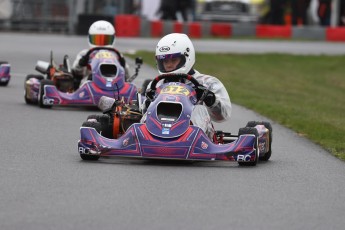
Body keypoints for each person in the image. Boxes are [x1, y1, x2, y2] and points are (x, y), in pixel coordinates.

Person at [142, 33, 232, 140]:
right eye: (165, 61)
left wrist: (210, 99)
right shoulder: (156, 84)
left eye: (173, 60)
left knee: (199, 109)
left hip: (195, 135)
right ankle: (142, 138)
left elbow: (223, 116)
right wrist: (148, 103)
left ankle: (192, 140)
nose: (169, 65)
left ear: (186, 57)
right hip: (158, 131)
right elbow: (144, 112)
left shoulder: (207, 83)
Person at [72, 20, 129, 87]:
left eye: (105, 40)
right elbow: (75, 71)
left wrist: (123, 65)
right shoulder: (84, 54)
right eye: (97, 39)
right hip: (88, 86)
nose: (101, 44)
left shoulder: (117, 55)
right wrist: (81, 64)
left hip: (113, 84)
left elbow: (127, 76)